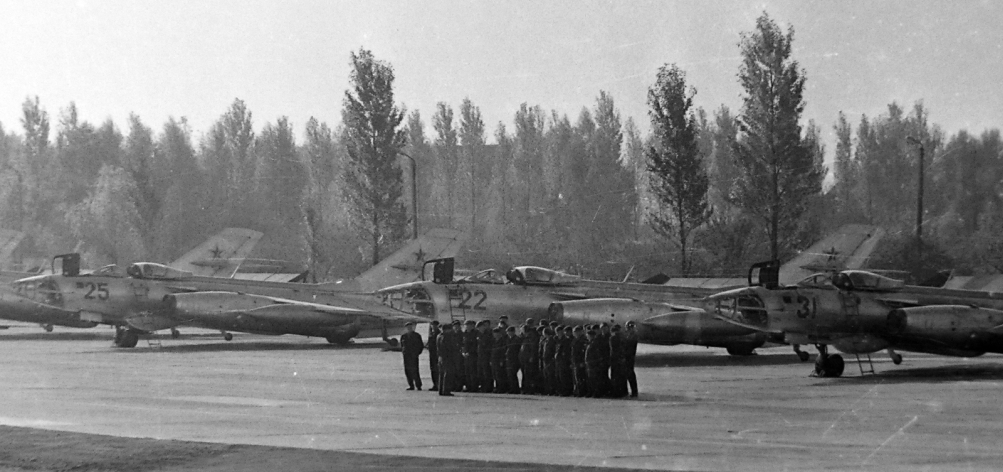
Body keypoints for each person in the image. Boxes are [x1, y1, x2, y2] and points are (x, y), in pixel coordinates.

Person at [400, 322, 424, 391]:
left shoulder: (417, 335)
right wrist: (404, 352)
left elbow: (420, 345)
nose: (409, 328)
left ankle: (418, 385)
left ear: (412, 327)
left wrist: (417, 353)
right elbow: (402, 346)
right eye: (408, 327)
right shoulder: (404, 336)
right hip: (406, 356)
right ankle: (411, 385)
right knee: (408, 371)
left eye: (410, 327)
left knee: (415, 370)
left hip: (414, 356)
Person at [519, 319, 539, 394]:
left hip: (528, 358)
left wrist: (531, 356)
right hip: (523, 358)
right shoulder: (525, 338)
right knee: (524, 373)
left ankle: (529, 389)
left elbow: (533, 348)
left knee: (528, 374)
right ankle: (525, 388)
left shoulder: (531, 337)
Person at [436, 323, 456, 396]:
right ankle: (446, 390)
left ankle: (441, 390)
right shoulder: (447, 336)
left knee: (441, 374)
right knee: (448, 374)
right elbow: (449, 347)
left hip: (441, 357)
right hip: (448, 357)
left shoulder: (439, 336)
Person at [609, 324, 628, 398]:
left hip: (615, 359)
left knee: (615, 376)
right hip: (621, 359)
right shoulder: (623, 337)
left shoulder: (612, 338)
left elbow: (613, 350)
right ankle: (623, 392)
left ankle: (616, 393)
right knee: (621, 376)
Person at [584, 328, 604, 398]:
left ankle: (596, 393)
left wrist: (594, 362)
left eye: (588, 335)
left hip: (593, 364)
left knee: (594, 379)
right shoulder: (591, 343)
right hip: (590, 364)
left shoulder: (595, 344)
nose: (587, 336)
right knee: (590, 379)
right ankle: (592, 392)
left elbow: (597, 355)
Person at [461, 320, 479, 392]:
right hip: (465, 355)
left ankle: (474, 387)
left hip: (473, 355)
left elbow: (475, 345)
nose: (467, 326)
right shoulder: (464, 334)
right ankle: (468, 386)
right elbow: (462, 344)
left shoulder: (475, 333)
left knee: (473, 372)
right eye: (466, 325)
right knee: (467, 372)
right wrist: (463, 352)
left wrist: (470, 352)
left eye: (468, 325)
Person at [571, 325, 589, 397]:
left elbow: (583, 352)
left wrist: (582, 362)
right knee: (577, 377)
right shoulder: (575, 340)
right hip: (575, 361)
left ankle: (582, 391)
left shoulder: (583, 340)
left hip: (580, 361)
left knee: (581, 377)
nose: (576, 333)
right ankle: (578, 391)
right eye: (575, 332)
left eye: (577, 332)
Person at [477, 321, 494, 393]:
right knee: (480, 372)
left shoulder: (488, 335)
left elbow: (489, 346)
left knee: (487, 372)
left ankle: (488, 387)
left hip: (486, 356)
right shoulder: (477, 334)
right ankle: (483, 387)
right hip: (479, 356)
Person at [490, 327, 507, 393]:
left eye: (497, 333)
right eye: (494, 333)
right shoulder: (493, 341)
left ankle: (501, 388)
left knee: (499, 375)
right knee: (494, 375)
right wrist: (490, 360)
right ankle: (496, 387)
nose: (495, 335)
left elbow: (503, 352)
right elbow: (491, 352)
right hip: (493, 360)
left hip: (499, 360)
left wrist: (501, 360)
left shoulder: (502, 341)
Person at [624, 321, 639, 397]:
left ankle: (634, 392)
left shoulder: (632, 336)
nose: (627, 329)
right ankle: (634, 391)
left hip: (629, 357)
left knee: (630, 375)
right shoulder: (631, 335)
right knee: (629, 374)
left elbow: (629, 348)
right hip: (629, 357)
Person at [505, 326, 521, 394]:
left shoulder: (516, 339)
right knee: (509, 375)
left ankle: (515, 389)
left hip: (514, 359)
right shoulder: (508, 339)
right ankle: (512, 388)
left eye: (510, 332)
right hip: (509, 359)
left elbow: (515, 349)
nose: (509, 333)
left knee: (513, 374)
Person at [541, 327, 557, 395]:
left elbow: (552, 351)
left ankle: (552, 390)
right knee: (546, 376)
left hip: (550, 360)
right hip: (545, 360)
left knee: (550, 376)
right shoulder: (546, 341)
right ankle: (547, 390)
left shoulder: (551, 341)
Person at [427, 321, 441, 392]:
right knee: (433, 370)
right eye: (432, 325)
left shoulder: (438, 334)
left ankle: (438, 384)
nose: (433, 326)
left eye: (434, 325)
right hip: (431, 354)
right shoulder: (431, 334)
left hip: (437, 354)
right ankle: (435, 384)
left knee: (437, 370)